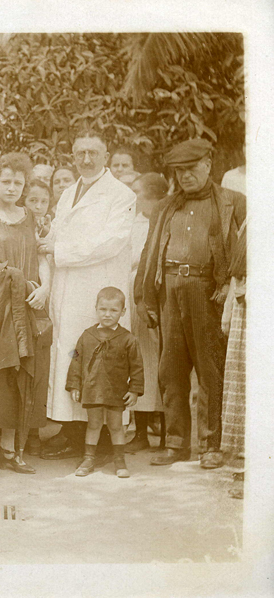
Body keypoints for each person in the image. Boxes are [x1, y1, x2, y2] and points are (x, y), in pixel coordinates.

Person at [136, 138, 245, 469]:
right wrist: (145, 297)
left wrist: (229, 283)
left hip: (208, 293)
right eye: (178, 171)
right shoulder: (165, 206)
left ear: (208, 165)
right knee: (170, 371)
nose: (185, 176)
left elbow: (245, 250)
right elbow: (149, 252)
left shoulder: (232, 202)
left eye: (191, 169)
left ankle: (211, 444)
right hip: (169, 290)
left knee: (211, 370)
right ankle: (176, 443)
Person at [39, 130, 136, 461]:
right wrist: (44, 241)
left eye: (93, 152)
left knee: (100, 361)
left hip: (97, 288)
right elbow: (55, 234)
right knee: (71, 358)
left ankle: (106, 438)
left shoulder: (120, 195)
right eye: (80, 152)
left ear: (106, 156)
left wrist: (59, 249)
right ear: (72, 155)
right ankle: (71, 430)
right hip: (68, 289)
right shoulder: (68, 192)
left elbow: (111, 242)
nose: (86, 159)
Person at [0, 152, 52, 483]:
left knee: (23, 374)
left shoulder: (31, 217)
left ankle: (10, 450)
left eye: (17, 182)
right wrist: (15, 278)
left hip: (31, 301)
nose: (11, 187)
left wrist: (45, 287)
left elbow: (42, 255)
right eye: (5, 181)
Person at [66, 287, 144, 478]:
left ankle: (119, 460)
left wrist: (134, 390)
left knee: (116, 426)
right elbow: (74, 358)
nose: (107, 315)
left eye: (113, 310)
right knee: (93, 424)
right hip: (92, 389)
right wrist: (75, 384)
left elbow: (137, 366)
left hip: (116, 390)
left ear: (123, 312)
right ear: (96, 309)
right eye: (103, 310)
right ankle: (88, 458)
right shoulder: (86, 336)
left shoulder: (128, 339)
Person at [126, 173, 169, 453]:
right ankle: (141, 432)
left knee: (165, 365)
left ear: (153, 196)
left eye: (137, 192)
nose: (133, 197)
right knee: (141, 362)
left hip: (162, 297)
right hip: (136, 299)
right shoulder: (133, 222)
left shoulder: (167, 220)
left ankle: (168, 435)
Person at [221, 218, 246, 498]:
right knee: (244, 384)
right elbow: (237, 270)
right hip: (243, 300)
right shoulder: (253, 217)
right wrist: (229, 307)